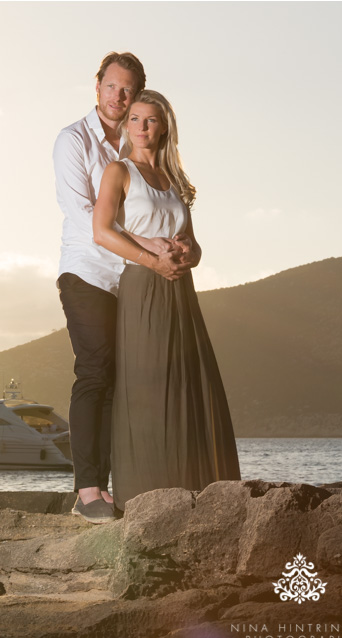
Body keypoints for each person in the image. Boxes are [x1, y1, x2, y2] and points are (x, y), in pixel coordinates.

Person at [53, 52, 189, 524]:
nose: (118, 96)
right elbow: (86, 217)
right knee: (95, 372)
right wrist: (149, 247)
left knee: (126, 381)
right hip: (88, 272)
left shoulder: (138, 139)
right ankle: (88, 491)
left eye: (128, 89)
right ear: (97, 87)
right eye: (111, 87)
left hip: (133, 279)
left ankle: (128, 484)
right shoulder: (73, 141)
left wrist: (168, 252)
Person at [91, 89, 241, 511]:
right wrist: (151, 261)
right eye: (134, 119)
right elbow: (102, 231)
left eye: (150, 120)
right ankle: (145, 497)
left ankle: (199, 493)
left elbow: (193, 242)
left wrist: (190, 254)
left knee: (191, 384)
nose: (141, 127)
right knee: (147, 387)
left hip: (181, 290)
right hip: (142, 285)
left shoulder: (174, 181)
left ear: (164, 127)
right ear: (127, 125)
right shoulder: (118, 171)